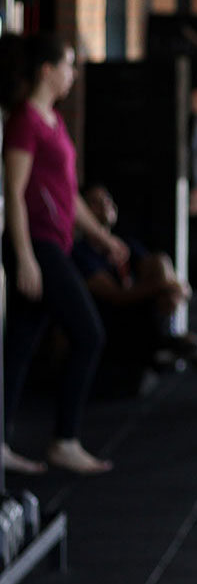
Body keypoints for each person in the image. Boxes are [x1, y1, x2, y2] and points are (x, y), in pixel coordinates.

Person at [1, 31, 125, 475]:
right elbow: (14, 194)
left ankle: (2, 442)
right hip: (37, 245)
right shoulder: (25, 122)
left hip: (56, 242)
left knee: (18, 346)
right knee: (89, 335)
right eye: (68, 65)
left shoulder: (52, 121)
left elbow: (67, 194)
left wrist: (101, 236)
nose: (73, 73)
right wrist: (25, 258)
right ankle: (65, 440)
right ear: (47, 70)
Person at [72, 184, 197, 393]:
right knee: (186, 342)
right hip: (112, 326)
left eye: (107, 199)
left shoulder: (125, 244)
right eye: (95, 202)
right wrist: (166, 286)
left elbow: (158, 271)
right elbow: (116, 296)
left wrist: (172, 289)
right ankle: (170, 333)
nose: (105, 204)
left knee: (160, 262)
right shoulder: (82, 253)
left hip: (146, 318)